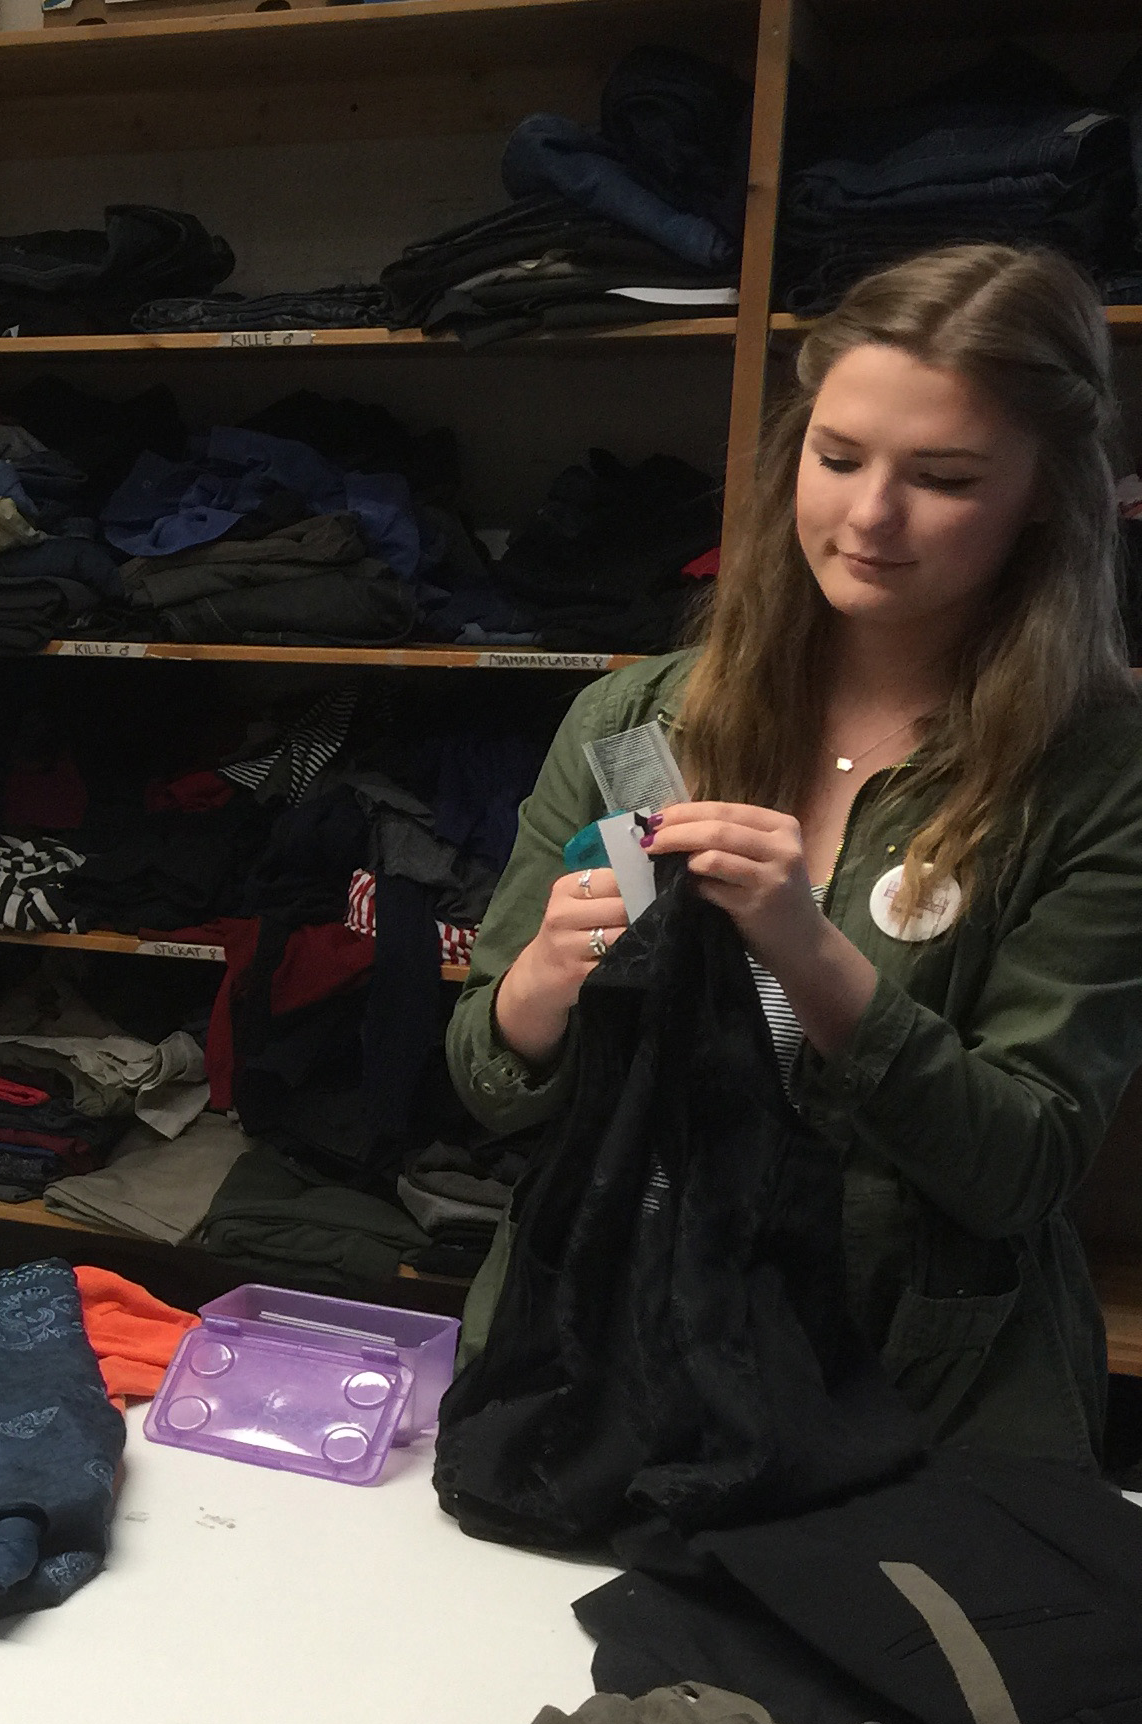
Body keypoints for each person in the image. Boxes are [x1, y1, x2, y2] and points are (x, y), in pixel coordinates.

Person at [449, 244, 1142, 1466]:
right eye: (838, 459)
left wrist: (811, 955)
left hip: (909, 1400)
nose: (870, 516)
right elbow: (484, 1077)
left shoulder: (1099, 778)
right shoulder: (636, 722)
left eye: (944, 477)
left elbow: (1019, 1169)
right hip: (610, 1367)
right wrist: (543, 983)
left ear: (1046, 491)